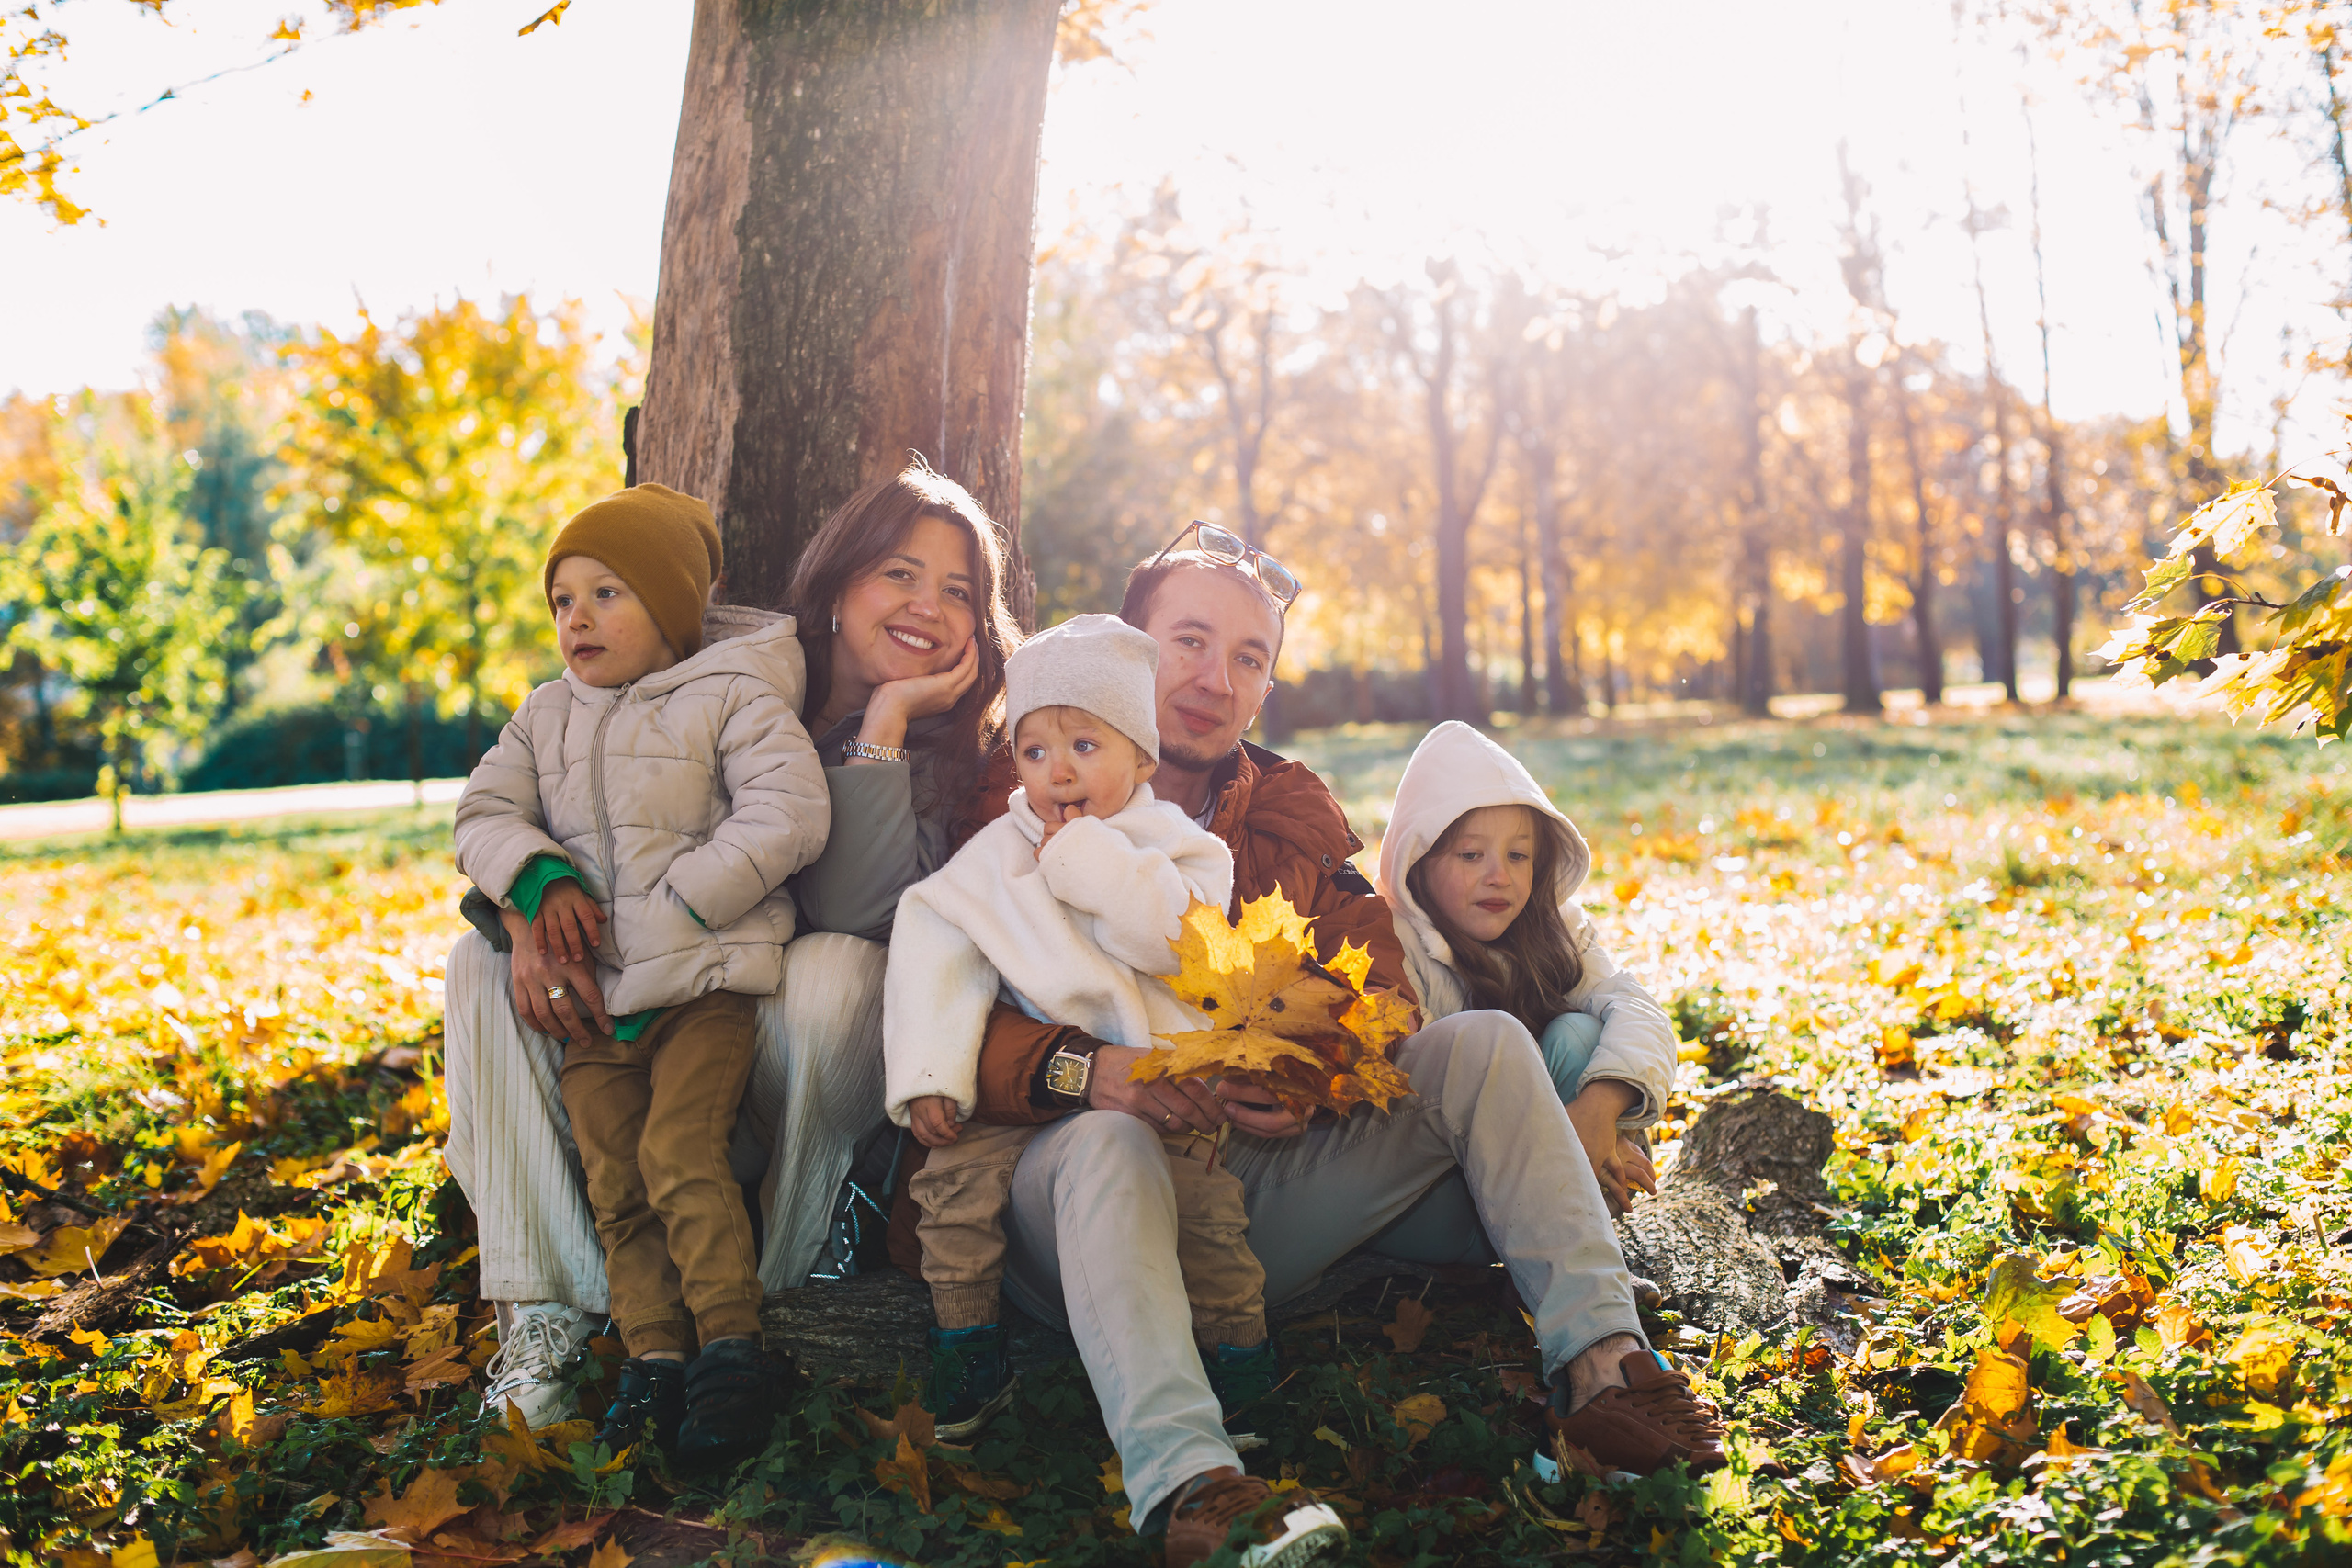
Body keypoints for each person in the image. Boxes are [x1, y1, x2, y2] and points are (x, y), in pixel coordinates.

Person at [899, 522, 1724, 1568]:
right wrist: (1082, 1070)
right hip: (1060, 1189)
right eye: (1188, 643)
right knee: (1111, 1145)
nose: (1214, 678)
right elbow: (920, 991)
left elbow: (1377, 992)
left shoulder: (1287, 819)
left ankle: (1606, 1365)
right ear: (1126, 649)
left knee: (1482, 1045)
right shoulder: (1012, 797)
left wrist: (1310, 1071)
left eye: (1248, 658)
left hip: (1242, 1192)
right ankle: (1193, 1484)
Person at [444, 460, 1022, 1430]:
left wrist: (881, 728)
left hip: (783, 1076)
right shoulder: (687, 677)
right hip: (636, 1031)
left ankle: (762, 1301)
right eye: (899, 574)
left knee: (833, 968)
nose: (928, 605)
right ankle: (552, 1307)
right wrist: (520, 916)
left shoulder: (961, 760)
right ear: (837, 584)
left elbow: (852, 903)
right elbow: (556, 806)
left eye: (958, 591)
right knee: (480, 967)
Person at [451, 483, 829, 1466]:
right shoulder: (543, 718)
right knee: (616, 1183)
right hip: (598, 1015)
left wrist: (686, 901)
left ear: (667, 606)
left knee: (677, 1156)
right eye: (562, 601)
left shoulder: (732, 696)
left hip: (702, 993)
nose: (577, 618)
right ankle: (654, 1359)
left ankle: (730, 1354)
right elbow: (482, 815)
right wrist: (534, 880)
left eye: (606, 594)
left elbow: (788, 810)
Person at [886, 615, 1286, 1468]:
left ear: (1142, 756)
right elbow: (937, 943)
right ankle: (970, 1347)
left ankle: (1238, 1359)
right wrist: (931, 1071)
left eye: (1083, 745)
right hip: (1031, 1107)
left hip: (1168, 1094)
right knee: (952, 1196)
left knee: (1211, 1224)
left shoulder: (1187, 850)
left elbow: (1179, 948)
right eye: (1033, 752)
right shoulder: (998, 853)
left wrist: (1089, 860)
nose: (1056, 770)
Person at [1374, 719, 1678, 1226]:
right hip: (1435, 1196)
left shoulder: (1555, 931)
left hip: (1541, 1177)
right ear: (1419, 860)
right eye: (1472, 855)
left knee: (1580, 1033)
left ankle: (1582, 1242)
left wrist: (1599, 1112)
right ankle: (1547, 1254)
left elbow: (1639, 1009)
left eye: (1518, 855)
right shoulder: (1392, 945)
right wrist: (1562, 1137)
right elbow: (1418, 1107)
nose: (1500, 875)